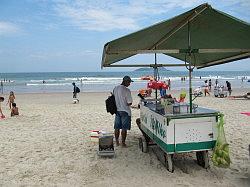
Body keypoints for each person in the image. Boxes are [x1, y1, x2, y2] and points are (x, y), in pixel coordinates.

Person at [113, 76, 133, 147]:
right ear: (126, 81)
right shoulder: (127, 90)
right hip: (125, 111)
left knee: (117, 127)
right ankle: (123, 143)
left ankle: (117, 142)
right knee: (124, 128)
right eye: (129, 82)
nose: (130, 84)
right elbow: (129, 102)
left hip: (117, 110)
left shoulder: (115, 88)